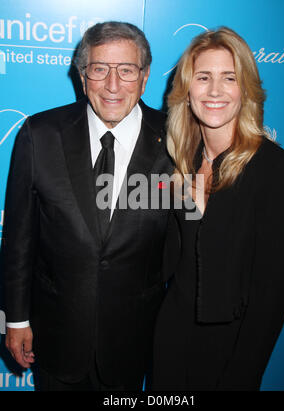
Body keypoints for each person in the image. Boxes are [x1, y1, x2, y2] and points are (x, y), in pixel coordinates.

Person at [2, 21, 173, 391]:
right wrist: (16, 319)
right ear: (83, 77)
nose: (113, 85)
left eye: (126, 70)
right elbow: (18, 238)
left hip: (135, 340)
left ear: (144, 79)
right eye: (100, 69)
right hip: (56, 336)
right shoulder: (40, 134)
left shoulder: (178, 140)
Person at [152, 27, 284, 391]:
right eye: (203, 78)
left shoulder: (279, 171)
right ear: (186, 93)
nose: (215, 91)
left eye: (228, 78)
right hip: (169, 341)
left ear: (245, 90)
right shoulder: (179, 163)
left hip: (230, 352)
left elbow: (272, 297)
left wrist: (243, 374)